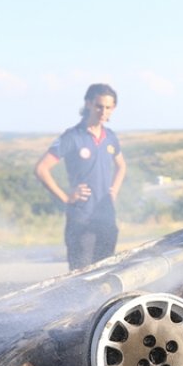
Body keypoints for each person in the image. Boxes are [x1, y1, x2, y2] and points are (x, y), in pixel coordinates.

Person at [35, 84, 128, 270]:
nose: (103, 111)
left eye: (108, 107)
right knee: (81, 277)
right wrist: (66, 198)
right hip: (81, 218)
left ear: (114, 108)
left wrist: (114, 191)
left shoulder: (110, 137)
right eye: (99, 106)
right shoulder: (72, 137)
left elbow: (121, 166)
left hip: (106, 217)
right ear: (88, 104)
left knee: (106, 271)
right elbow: (41, 169)